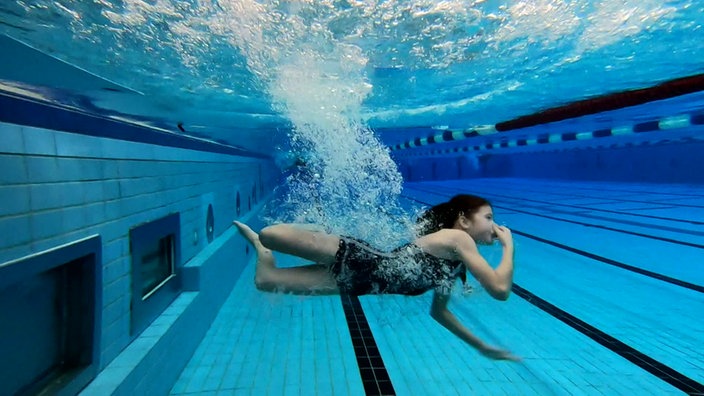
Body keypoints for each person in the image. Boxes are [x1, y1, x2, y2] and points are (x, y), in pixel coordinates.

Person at [233, 194, 519, 361]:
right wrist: (509, 247)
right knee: (271, 234)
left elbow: (440, 313)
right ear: (464, 220)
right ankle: (321, 228)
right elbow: (500, 289)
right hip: (360, 257)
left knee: (265, 280)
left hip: (360, 284)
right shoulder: (456, 237)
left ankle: (259, 247)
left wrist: (481, 346)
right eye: (489, 217)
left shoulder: (454, 267)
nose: (495, 227)